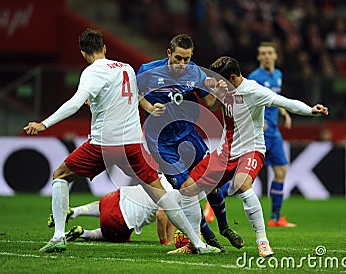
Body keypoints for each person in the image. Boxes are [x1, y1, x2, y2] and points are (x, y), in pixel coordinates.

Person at [23, 28, 220, 254]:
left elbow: (75, 103)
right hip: (133, 145)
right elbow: (134, 95)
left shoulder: (91, 72)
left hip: (104, 145)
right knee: (159, 193)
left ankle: (58, 236)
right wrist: (145, 107)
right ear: (104, 49)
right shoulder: (125, 68)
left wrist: (44, 124)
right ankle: (198, 242)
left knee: (61, 175)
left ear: (83, 54)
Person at [179, 56, 329, 257]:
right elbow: (213, 104)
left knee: (242, 184)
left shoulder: (253, 91)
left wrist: (311, 110)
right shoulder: (225, 88)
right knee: (188, 188)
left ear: (233, 78)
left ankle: (262, 241)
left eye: (222, 82)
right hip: (226, 151)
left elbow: (284, 102)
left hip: (251, 149)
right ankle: (195, 242)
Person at [136, 34, 244, 252]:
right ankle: (208, 237)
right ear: (169, 53)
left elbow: (210, 104)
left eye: (186, 59)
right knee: (187, 191)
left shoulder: (195, 72)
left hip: (189, 135)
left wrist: (216, 91)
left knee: (211, 184)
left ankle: (224, 228)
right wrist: (149, 108)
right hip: (163, 144)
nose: (182, 64)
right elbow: (135, 93)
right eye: (178, 58)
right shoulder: (148, 70)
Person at [248, 42, 296, 227]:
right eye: (263, 53)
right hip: (260, 131)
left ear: (276, 56)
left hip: (274, 132)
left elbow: (275, 99)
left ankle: (275, 218)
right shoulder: (254, 77)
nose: (266, 56)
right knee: (243, 176)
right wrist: (258, 121)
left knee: (281, 170)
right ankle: (212, 207)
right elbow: (248, 101)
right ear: (259, 57)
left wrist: (284, 112)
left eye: (270, 53)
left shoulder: (278, 75)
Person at [48, 179, 177, 245]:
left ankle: (76, 211)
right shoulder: (175, 191)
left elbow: (171, 214)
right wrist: (165, 242)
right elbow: (161, 215)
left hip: (112, 198)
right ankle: (84, 233)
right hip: (119, 220)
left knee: (106, 207)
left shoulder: (164, 177)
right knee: (118, 235)